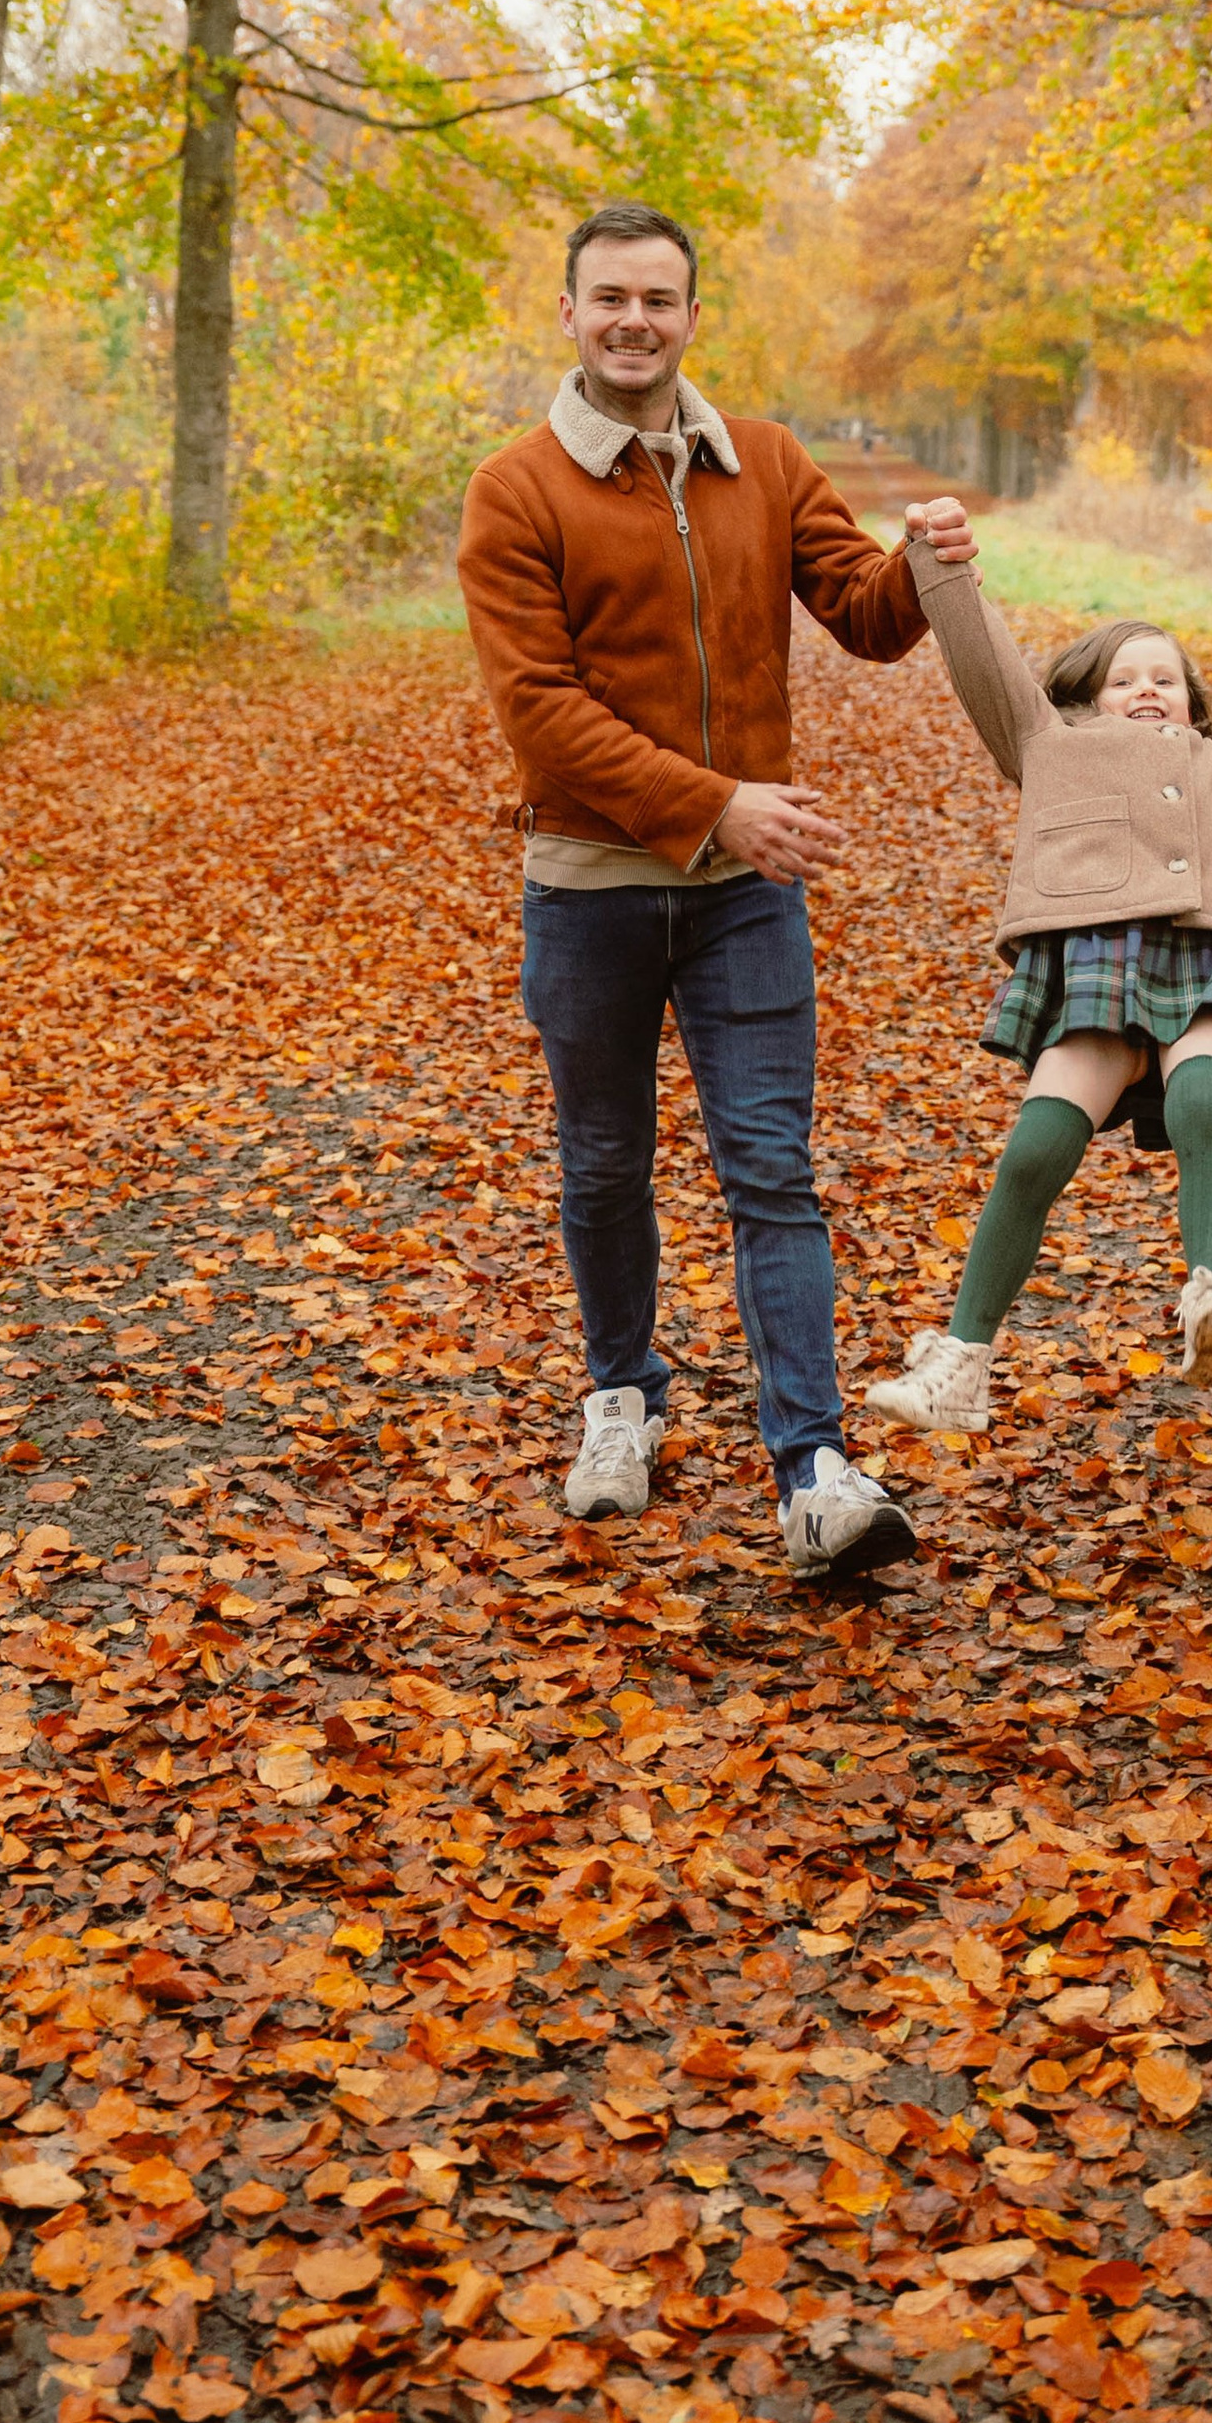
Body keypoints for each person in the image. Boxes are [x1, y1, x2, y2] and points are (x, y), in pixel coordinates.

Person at [456, 198, 979, 1576]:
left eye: (660, 300)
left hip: (749, 891)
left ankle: (813, 1466)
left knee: (772, 1169)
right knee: (607, 1161)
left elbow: (864, 619)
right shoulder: (518, 490)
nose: (636, 320)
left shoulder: (767, 463)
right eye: (610, 298)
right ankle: (619, 1398)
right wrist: (721, 806)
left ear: (693, 316)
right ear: (568, 315)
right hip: (590, 888)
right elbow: (540, 712)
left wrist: (923, 564)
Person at [861, 519, 1212, 1433]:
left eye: (1166, 680)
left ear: (1193, 703)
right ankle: (963, 1362)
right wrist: (940, 562)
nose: (1146, 692)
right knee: (1035, 1152)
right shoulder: (1046, 744)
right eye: (1123, 679)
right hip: (1092, 958)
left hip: (1208, 950)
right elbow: (986, 659)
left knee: (1204, 1099)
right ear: (1085, 700)